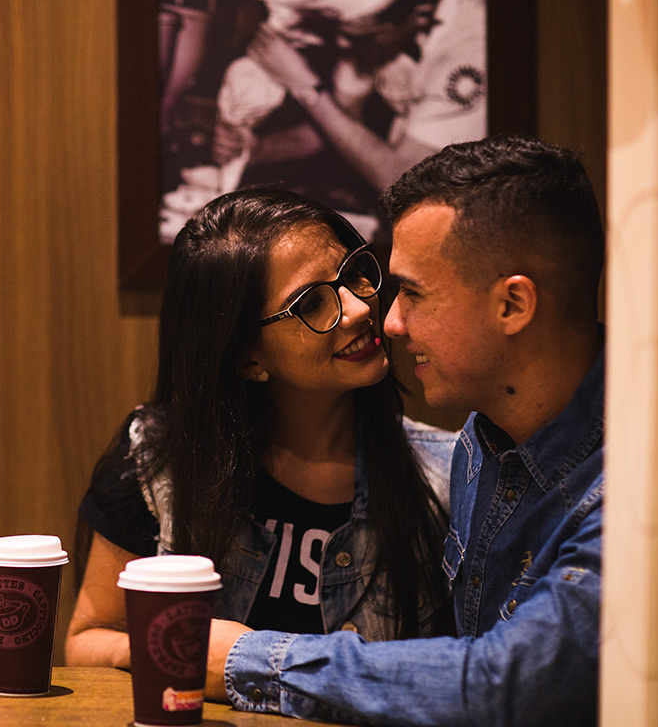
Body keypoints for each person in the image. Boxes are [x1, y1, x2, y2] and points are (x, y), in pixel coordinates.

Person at [213, 134, 605, 726]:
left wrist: (247, 656)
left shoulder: (639, 482)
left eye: (414, 294)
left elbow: (507, 686)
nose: (387, 320)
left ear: (512, 306)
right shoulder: (484, 440)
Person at [66, 187, 458, 677]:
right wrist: (180, 646)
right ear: (248, 358)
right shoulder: (161, 459)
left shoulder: (448, 473)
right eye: (312, 304)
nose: (359, 308)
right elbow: (88, 639)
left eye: (354, 272)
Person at [210, 0, 486, 213]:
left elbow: (408, 182)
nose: (342, 43)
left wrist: (304, 87)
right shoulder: (386, 31)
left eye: (358, 35)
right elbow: (338, 125)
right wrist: (258, 148)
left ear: (419, 14)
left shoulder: (476, 46)